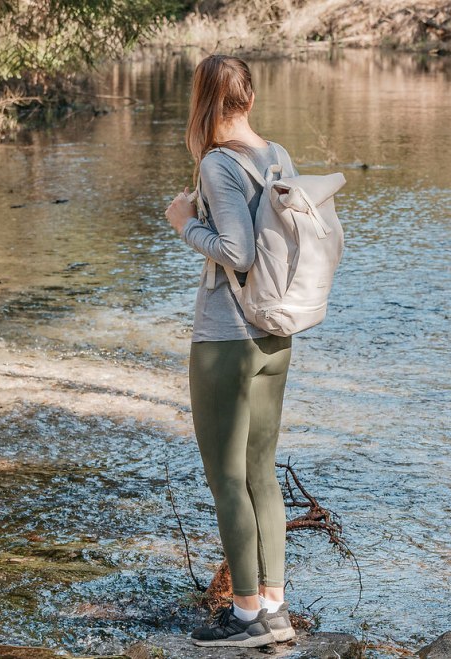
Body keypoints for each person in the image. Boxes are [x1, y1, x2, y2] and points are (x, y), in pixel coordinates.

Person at [164, 54, 299, 648]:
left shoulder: (219, 164)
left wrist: (180, 222)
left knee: (226, 478)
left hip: (226, 339)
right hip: (275, 334)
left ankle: (247, 615)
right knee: (261, 474)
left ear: (207, 100)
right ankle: (275, 605)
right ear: (248, 96)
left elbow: (236, 253)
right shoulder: (279, 157)